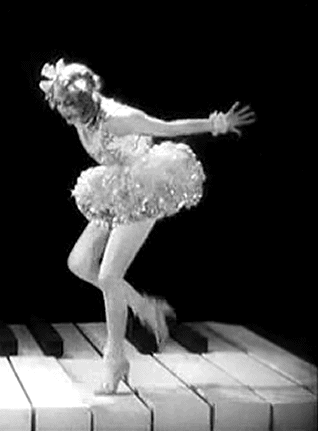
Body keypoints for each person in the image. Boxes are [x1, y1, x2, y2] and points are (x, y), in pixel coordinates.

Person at [39, 58, 256, 394]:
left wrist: (218, 123)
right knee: (79, 262)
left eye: (70, 108)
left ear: (86, 101)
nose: (66, 115)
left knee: (109, 276)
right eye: (62, 107)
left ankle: (115, 359)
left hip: (144, 189)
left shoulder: (119, 119)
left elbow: (169, 128)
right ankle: (144, 307)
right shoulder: (82, 116)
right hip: (116, 186)